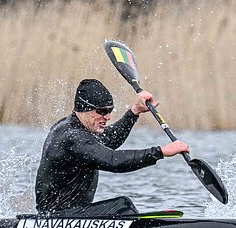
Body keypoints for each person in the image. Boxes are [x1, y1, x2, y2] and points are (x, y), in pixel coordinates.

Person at [34, 79, 189, 215]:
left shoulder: (72, 127)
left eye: (109, 110)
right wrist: (161, 152)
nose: (107, 117)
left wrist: (134, 112)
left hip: (66, 213)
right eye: (102, 111)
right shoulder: (74, 137)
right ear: (84, 109)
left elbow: (109, 139)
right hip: (58, 216)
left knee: (121, 205)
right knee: (122, 206)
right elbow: (113, 161)